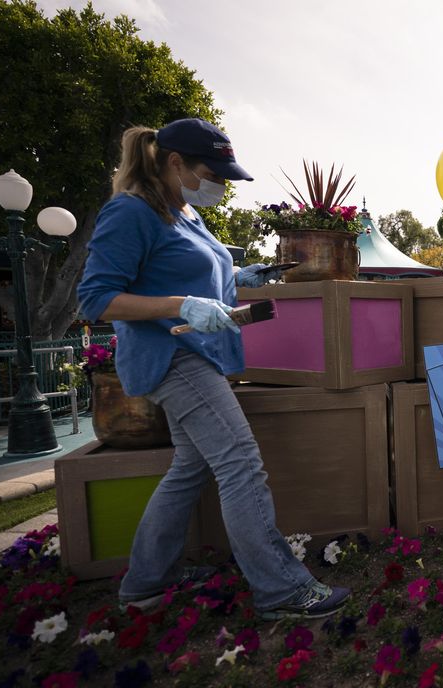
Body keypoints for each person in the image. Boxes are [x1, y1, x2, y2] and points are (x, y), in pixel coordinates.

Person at [77, 118, 350, 619]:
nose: (220, 186)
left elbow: (197, 270)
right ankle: (281, 589)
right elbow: (95, 299)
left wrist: (239, 276)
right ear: (174, 162)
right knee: (241, 464)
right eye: (214, 173)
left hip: (200, 355)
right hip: (173, 357)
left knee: (190, 467)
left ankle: (145, 583)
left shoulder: (183, 211)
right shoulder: (131, 212)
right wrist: (178, 305)